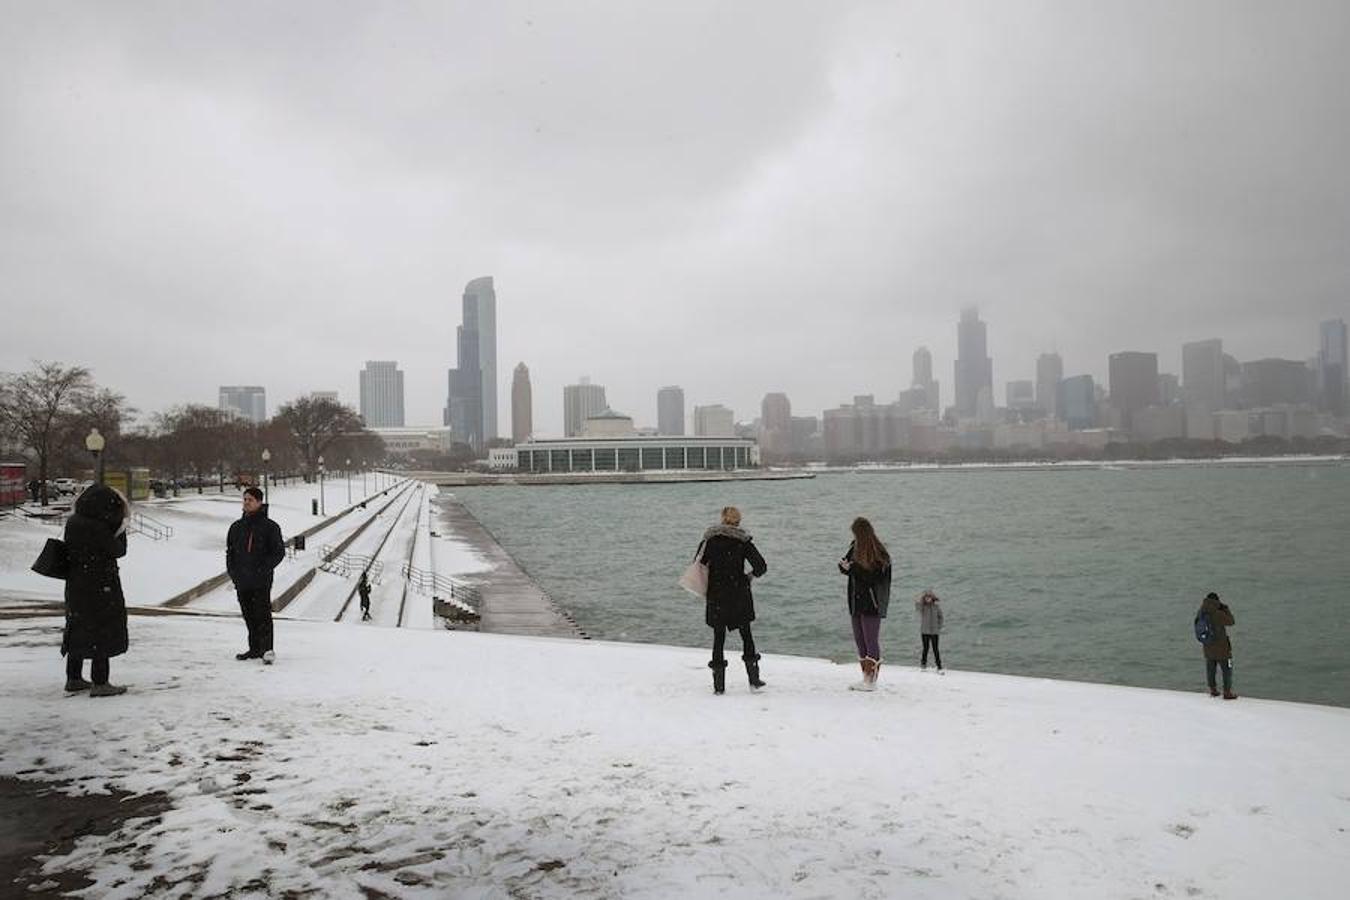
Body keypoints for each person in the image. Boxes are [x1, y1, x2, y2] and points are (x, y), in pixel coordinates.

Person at [62, 484, 130, 697]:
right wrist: (120, 530)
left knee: (78, 625)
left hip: (76, 584)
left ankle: (73, 677)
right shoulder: (99, 527)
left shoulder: (73, 522)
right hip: (101, 585)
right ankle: (100, 681)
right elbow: (118, 550)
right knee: (102, 628)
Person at [698, 506, 768, 694]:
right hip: (739, 593)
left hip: (717, 594)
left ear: (722, 519)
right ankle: (754, 680)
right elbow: (761, 566)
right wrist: (748, 577)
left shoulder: (710, 540)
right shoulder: (743, 541)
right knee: (746, 635)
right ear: (738, 521)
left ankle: (719, 686)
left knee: (718, 638)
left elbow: (699, 564)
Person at [226, 487, 286, 664]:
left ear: (259, 502)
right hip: (242, 580)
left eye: (250, 500)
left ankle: (267, 649)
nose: (246, 503)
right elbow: (230, 553)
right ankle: (254, 648)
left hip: (261, 580)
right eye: (244, 499)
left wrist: (263, 569)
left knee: (262, 614)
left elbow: (278, 552)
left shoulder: (270, 527)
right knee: (248, 614)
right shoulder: (236, 527)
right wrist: (234, 573)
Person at [838, 517, 892, 691]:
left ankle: (872, 680)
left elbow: (874, 577)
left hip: (872, 602)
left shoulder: (879, 553)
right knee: (860, 641)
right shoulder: (854, 547)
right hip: (855, 600)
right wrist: (843, 566)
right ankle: (866, 677)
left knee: (870, 641)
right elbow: (849, 566)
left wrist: (852, 569)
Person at [1198, 591, 1237, 699]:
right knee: (1227, 670)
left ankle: (1213, 690)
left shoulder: (1201, 612)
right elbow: (1231, 621)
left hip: (1208, 646)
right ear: (1217, 601)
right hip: (1222, 648)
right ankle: (1227, 692)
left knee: (1211, 669)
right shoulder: (1218, 613)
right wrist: (1226, 609)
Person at [916, 590, 944, 673]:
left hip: (934, 632)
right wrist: (921, 598)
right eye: (926, 597)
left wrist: (939, 627)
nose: (928, 599)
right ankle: (923, 665)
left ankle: (939, 666)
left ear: (932, 598)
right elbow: (917, 605)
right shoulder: (923, 607)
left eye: (929, 597)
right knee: (925, 648)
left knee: (936, 649)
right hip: (924, 631)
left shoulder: (936, 607)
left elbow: (941, 618)